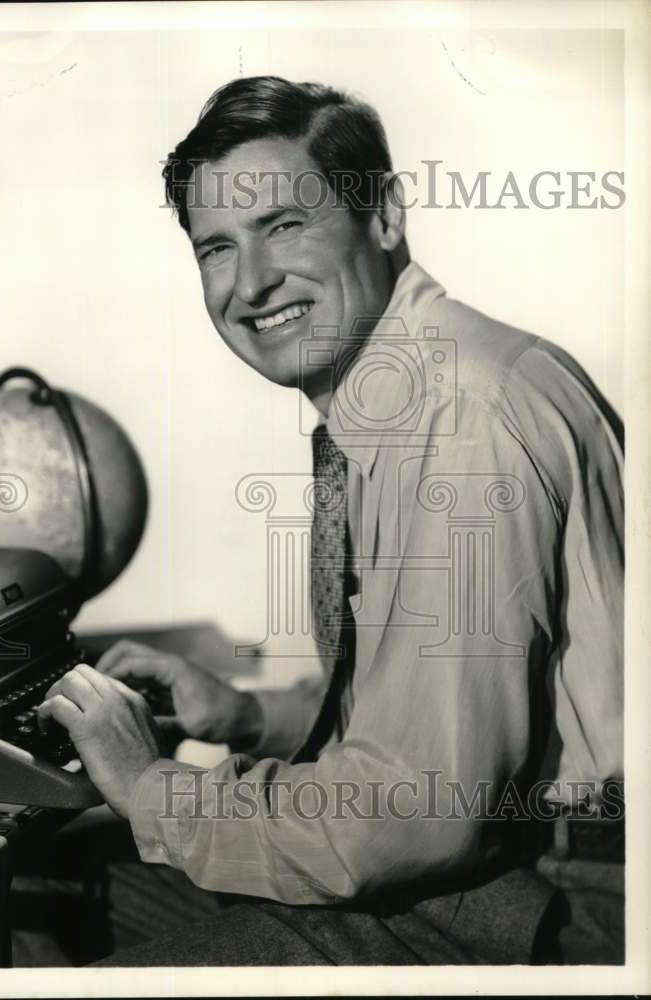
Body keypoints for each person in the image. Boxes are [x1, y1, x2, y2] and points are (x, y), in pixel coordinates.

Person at [34, 76, 624, 966]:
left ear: (382, 214)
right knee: (56, 881)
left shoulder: (457, 420)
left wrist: (152, 786)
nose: (251, 283)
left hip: (566, 905)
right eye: (215, 249)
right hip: (498, 854)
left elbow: (412, 811)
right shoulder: (418, 381)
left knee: (49, 939)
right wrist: (241, 713)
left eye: (282, 225)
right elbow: (442, 706)